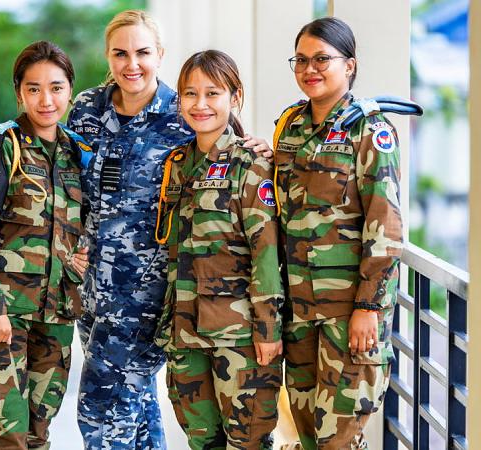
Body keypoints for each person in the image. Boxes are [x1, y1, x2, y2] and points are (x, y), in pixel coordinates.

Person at [67, 10, 271, 449]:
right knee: (136, 402)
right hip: (91, 289)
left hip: (152, 291)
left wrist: (261, 147)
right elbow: (65, 183)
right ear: (108, 55)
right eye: (120, 53)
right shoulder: (86, 109)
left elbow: (232, 158)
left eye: (142, 52)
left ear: (159, 55)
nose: (131, 64)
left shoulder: (182, 114)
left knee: (101, 405)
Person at [274, 17, 402, 449]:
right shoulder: (289, 128)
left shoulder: (371, 130)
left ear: (349, 65)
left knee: (339, 439)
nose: (310, 69)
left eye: (322, 59)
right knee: (309, 435)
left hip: (349, 314)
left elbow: (385, 225)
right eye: (302, 60)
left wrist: (369, 306)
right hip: (299, 312)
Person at [0, 40, 89, 450]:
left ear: (70, 90)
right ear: (19, 92)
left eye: (55, 87)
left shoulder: (75, 154)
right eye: (33, 88)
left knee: (37, 434)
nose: (45, 99)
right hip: (4, 318)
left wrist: (77, 257)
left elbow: (76, 225)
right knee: (7, 434)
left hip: (55, 315)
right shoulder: (0, 147)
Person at [155, 50, 284, 450]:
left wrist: (267, 328)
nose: (201, 104)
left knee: (248, 442)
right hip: (186, 332)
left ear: (235, 97)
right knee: (201, 442)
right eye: (190, 94)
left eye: (213, 93)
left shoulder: (251, 164)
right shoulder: (177, 163)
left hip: (241, 335)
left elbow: (265, 253)